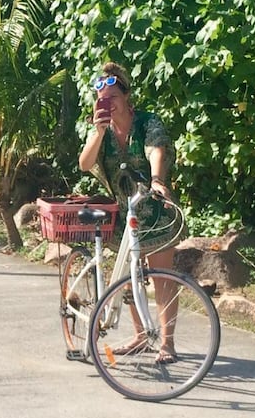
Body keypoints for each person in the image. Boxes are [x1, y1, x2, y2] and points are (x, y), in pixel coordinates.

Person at [78, 62, 185, 364]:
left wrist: (157, 180)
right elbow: (85, 163)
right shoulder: (101, 129)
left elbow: (157, 150)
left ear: (126, 97)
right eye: (103, 98)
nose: (108, 103)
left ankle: (167, 343)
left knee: (163, 278)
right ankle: (140, 336)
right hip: (124, 215)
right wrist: (98, 133)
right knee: (129, 279)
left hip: (154, 208)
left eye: (114, 97)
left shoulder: (147, 122)